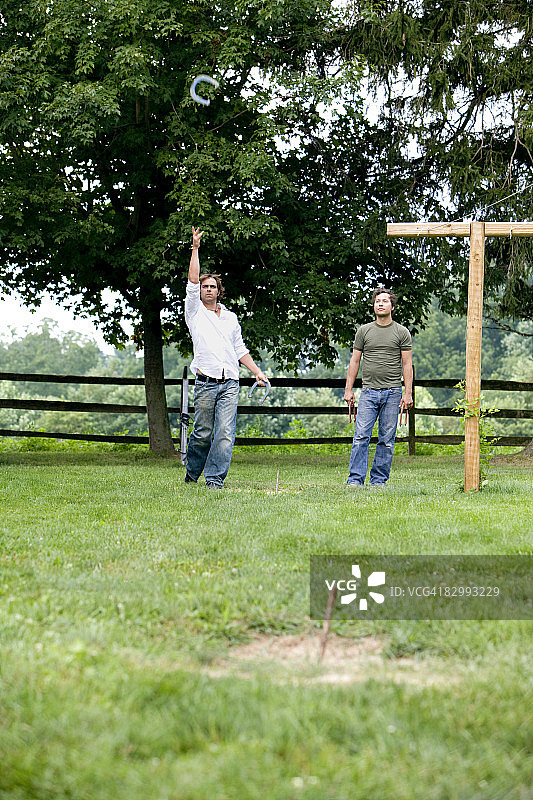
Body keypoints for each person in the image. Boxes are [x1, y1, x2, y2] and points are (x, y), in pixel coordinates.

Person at [184, 226, 268, 488]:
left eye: (213, 287)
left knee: (224, 434)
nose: (208, 289)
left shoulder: (230, 317)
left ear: (219, 291)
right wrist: (196, 249)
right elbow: (192, 280)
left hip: (230, 383)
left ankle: (214, 480)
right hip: (205, 382)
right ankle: (192, 474)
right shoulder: (195, 312)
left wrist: (257, 371)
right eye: (205, 286)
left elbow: (239, 349)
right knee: (202, 434)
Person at [344, 287, 413, 486]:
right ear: (373, 306)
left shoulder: (402, 332)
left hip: (393, 392)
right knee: (361, 437)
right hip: (368, 392)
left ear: (392, 305)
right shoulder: (364, 331)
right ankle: (355, 480)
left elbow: (407, 364)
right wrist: (349, 389)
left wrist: (407, 393)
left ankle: (378, 481)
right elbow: (355, 361)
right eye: (377, 301)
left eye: (384, 301)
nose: (380, 304)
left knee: (386, 440)